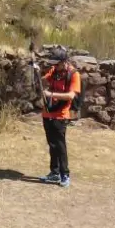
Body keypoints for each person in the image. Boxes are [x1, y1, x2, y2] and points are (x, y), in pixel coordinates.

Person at [38, 48, 80, 188]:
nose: (54, 66)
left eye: (57, 64)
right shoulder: (54, 70)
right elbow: (43, 81)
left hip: (61, 115)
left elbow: (70, 96)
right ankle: (54, 172)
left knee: (60, 146)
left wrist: (50, 94)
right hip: (47, 112)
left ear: (64, 61)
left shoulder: (73, 74)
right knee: (52, 144)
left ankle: (64, 174)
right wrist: (37, 72)